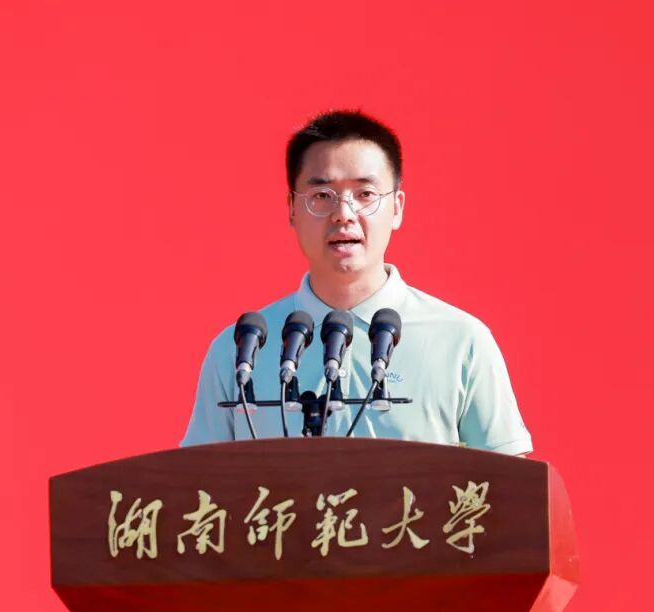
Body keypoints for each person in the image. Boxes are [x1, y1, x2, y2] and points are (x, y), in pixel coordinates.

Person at [180, 110, 532, 455]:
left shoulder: (460, 341)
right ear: (291, 209)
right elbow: (197, 483)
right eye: (322, 196)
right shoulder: (242, 350)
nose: (343, 214)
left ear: (397, 208)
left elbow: (509, 485)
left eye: (365, 194)